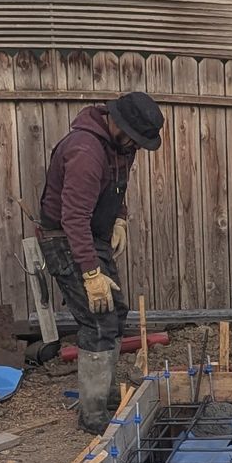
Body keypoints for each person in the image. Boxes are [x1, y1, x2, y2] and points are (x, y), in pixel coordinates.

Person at [37, 93, 163, 430]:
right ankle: (93, 417)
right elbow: (73, 219)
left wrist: (119, 218)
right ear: (120, 126)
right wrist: (91, 273)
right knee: (97, 320)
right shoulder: (85, 153)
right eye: (135, 140)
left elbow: (119, 188)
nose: (136, 147)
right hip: (66, 239)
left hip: (95, 235)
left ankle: (107, 398)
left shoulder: (121, 147)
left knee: (114, 312)